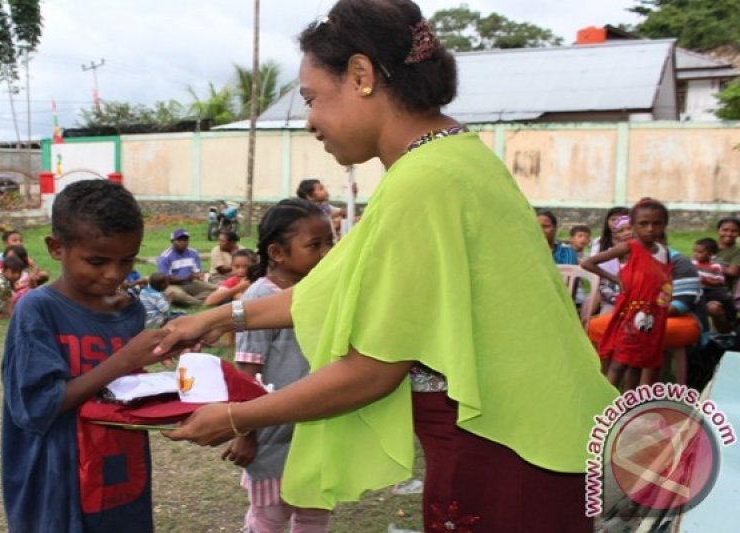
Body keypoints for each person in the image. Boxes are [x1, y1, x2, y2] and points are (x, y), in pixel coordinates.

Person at [156, 3, 616, 531]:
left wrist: (237, 417)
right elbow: (334, 289)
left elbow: (372, 371)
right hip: (525, 439)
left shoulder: (424, 182)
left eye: (312, 99)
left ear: (361, 75)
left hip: (501, 449)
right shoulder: (451, 158)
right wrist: (215, 319)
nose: (310, 121)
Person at [1, 179, 169, 533]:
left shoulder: (129, 310)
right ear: (56, 247)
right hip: (56, 476)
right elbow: (36, 406)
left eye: (127, 260)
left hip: (119, 463)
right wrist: (123, 359)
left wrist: (167, 354)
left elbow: (125, 393)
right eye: (97, 261)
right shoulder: (38, 310)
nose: (114, 274)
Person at [222, 198, 333, 533]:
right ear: (278, 253)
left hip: (317, 425)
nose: (327, 252)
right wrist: (246, 432)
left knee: (314, 513)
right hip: (272, 432)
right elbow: (247, 372)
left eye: (331, 242)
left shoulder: (321, 293)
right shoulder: (260, 299)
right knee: (270, 515)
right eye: (315, 245)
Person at [582, 198, 673, 391]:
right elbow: (588, 263)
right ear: (632, 226)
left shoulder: (664, 252)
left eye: (656, 224)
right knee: (620, 362)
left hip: (654, 316)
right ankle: (605, 403)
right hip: (631, 316)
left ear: (664, 225)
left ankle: (629, 405)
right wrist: (616, 280)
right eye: (643, 224)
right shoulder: (629, 248)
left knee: (638, 363)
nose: (650, 229)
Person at [156, 228, 211, 306]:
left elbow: (197, 271)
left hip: (190, 283)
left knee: (215, 288)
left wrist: (200, 275)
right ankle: (201, 301)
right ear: (172, 241)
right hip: (172, 285)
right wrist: (187, 277)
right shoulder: (165, 257)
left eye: (185, 240)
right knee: (177, 295)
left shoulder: (193, 253)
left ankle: (193, 299)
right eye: (179, 240)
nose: (183, 243)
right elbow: (166, 279)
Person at [693, 237, 735, 333]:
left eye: (700, 252)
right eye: (695, 251)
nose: (696, 254)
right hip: (699, 290)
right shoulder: (693, 264)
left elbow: (720, 281)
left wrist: (706, 280)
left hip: (713, 290)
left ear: (711, 254)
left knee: (727, 298)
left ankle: (732, 319)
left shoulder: (715, 266)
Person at [593, 214, 633, 315]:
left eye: (629, 229)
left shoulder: (645, 255)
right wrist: (617, 299)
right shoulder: (607, 259)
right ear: (614, 239)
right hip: (612, 301)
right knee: (606, 319)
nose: (627, 233)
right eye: (621, 231)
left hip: (638, 302)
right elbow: (603, 287)